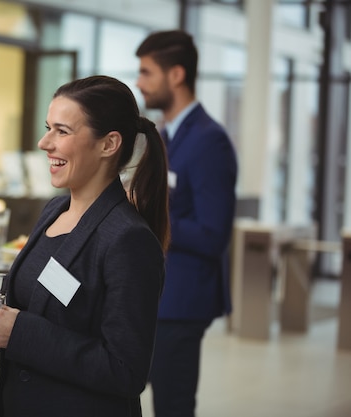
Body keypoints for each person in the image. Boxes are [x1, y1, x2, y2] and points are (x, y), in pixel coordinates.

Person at [0, 75, 169, 416]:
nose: (45, 143)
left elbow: (126, 371)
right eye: (48, 128)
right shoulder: (54, 210)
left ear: (109, 144)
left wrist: (18, 332)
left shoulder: (128, 239)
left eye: (62, 131)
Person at [135, 30, 238, 417]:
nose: (139, 82)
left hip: (183, 302)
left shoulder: (211, 141)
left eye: (146, 72)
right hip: (156, 297)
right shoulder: (162, 136)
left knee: (173, 406)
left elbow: (214, 235)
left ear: (175, 75)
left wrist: (152, 214)